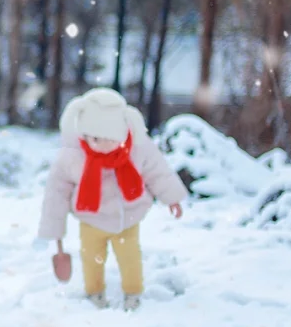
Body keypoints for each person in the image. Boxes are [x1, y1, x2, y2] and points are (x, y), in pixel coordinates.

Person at [38, 86, 186, 310]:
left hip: (127, 218)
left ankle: (133, 293)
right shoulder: (72, 155)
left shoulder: (138, 147)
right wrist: (55, 229)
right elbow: (56, 193)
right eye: (94, 138)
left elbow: (158, 172)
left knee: (130, 259)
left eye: (109, 139)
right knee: (91, 259)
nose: (101, 145)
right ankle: (95, 292)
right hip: (91, 220)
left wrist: (172, 198)